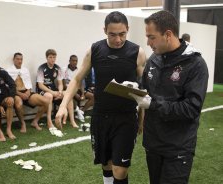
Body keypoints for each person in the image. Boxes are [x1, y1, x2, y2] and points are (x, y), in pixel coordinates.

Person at [55, 11, 146, 184]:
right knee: (107, 165)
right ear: (105, 30)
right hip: (101, 117)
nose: (118, 39)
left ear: (128, 29)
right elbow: (76, 79)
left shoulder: (137, 52)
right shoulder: (95, 50)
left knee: (120, 169)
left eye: (122, 34)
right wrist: (62, 106)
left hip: (125, 118)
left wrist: (142, 117)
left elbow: (144, 88)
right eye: (113, 34)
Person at [129, 10, 209, 184]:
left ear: (167, 35)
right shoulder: (154, 59)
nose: (148, 42)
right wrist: (135, 88)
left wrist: (153, 105)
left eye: (152, 37)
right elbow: (146, 88)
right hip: (153, 144)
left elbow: (191, 108)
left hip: (178, 148)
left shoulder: (195, 64)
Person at [7, 52, 50, 132]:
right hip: (16, 93)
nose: (20, 61)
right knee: (19, 104)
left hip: (26, 92)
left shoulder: (25, 70)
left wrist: (28, 92)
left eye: (21, 59)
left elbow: (29, 83)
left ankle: (35, 121)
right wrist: (20, 94)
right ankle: (23, 123)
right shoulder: (9, 71)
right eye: (17, 59)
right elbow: (9, 87)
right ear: (13, 60)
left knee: (46, 101)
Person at [36, 49, 78, 129]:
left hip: (53, 90)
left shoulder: (58, 68)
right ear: (47, 58)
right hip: (43, 91)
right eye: (50, 57)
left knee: (67, 94)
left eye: (54, 57)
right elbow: (40, 85)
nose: (52, 59)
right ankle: (49, 121)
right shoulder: (41, 68)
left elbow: (60, 84)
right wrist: (52, 92)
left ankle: (72, 121)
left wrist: (60, 91)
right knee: (49, 96)